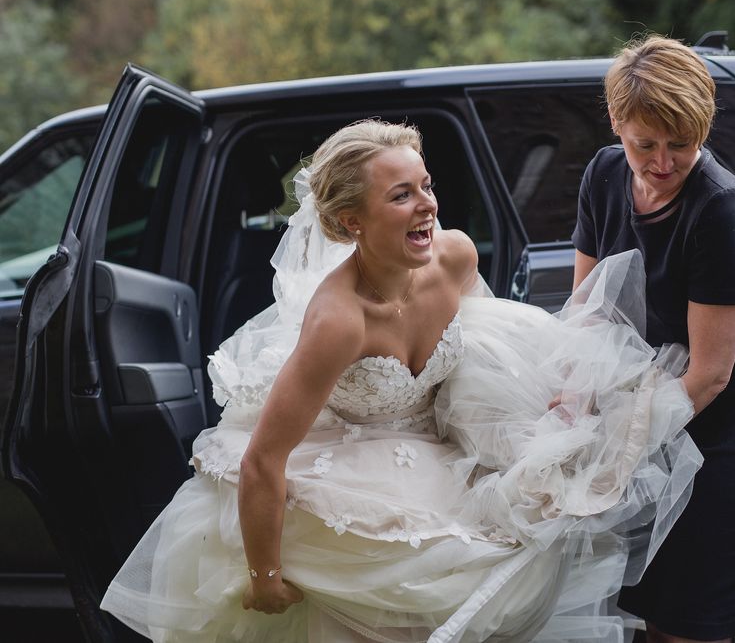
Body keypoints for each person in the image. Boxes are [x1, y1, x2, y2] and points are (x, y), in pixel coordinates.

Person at [102, 119, 701, 642]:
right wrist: (265, 579)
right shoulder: (338, 322)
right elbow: (264, 461)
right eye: (401, 195)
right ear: (350, 222)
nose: (428, 205)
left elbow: (488, 354)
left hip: (440, 457)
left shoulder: (455, 258)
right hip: (352, 472)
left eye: (427, 186)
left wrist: (531, 433)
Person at [572, 35, 735, 643]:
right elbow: (587, 310)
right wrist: (574, 397)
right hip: (649, 404)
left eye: (681, 145)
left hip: (728, 422)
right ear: (616, 123)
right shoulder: (604, 173)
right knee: (641, 607)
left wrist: (624, 445)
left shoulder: (722, 208)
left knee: (689, 618)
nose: (662, 162)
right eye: (644, 144)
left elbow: (710, 373)